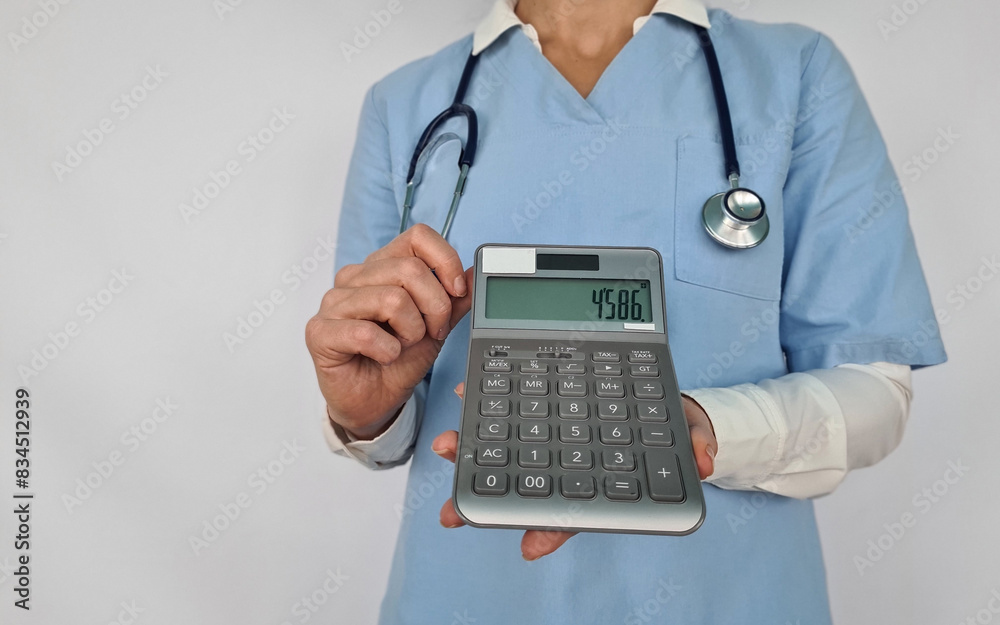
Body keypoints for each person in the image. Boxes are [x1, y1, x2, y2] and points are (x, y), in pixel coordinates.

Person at [306, 0, 947, 622]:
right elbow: (393, 410)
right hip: (468, 595)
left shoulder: (795, 71)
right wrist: (365, 413)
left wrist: (701, 428)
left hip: (729, 598)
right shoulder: (402, 105)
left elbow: (873, 389)